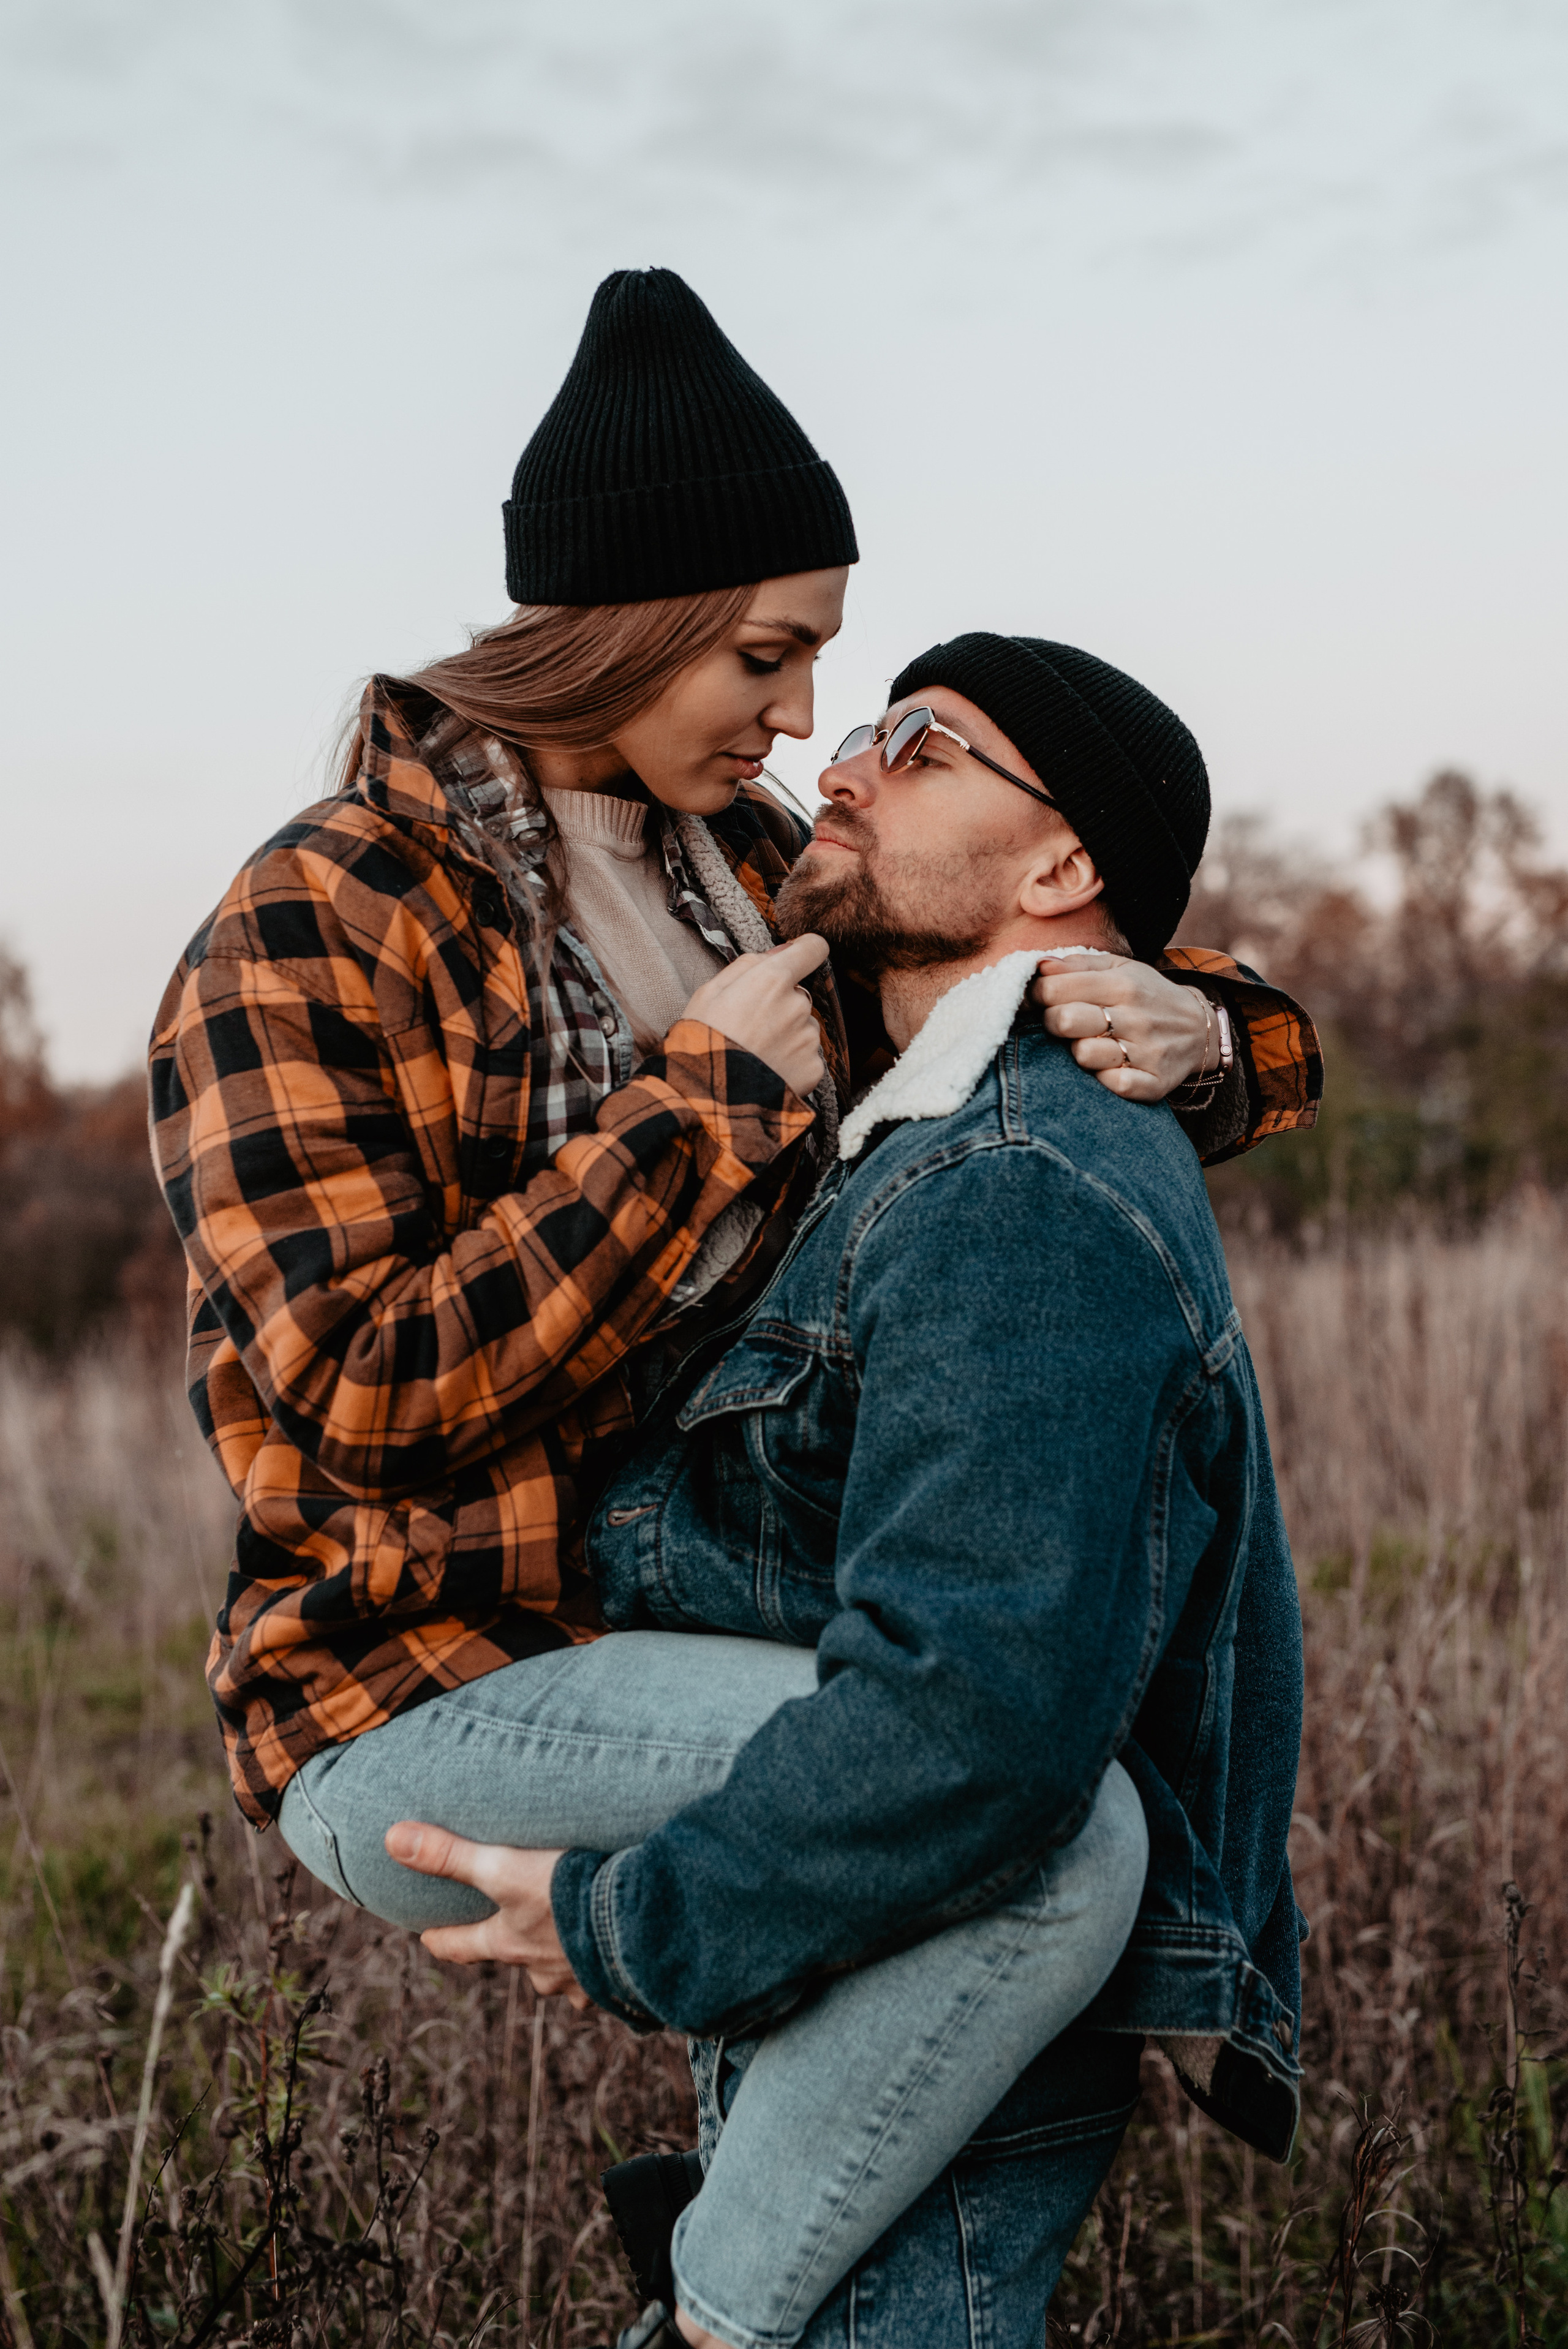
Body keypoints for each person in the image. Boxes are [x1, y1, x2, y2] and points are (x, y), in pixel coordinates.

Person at [148, 270, 1319, 2349]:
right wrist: (687, 1130)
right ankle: (704, 2322)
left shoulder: (742, 861)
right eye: (770, 657)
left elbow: (1006, 978)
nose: (799, 725)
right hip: (433, 1669)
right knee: (1041, 1847)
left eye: (828, 675)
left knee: (980, 1878)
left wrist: (1210, 1033)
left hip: (711, 1617)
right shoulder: (318, 916)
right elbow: (337, 1393)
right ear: (631, 619)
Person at [394, 639, 1306, 2349]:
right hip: (889, 1930)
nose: (839, 762)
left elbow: (977, 1721)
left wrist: (618, 1921)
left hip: (948, 1922)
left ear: (1059, 864)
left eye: (921, 742)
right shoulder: (923, 1135)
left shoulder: (1017, 1178)